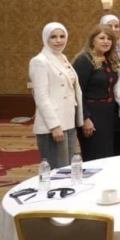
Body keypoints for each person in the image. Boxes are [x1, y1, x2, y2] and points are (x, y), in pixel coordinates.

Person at [30, 22, 83, 168]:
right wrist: (54, 126)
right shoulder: (39, 61)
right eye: (53, 37)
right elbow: (41, 96)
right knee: (56, 170)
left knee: (68, 167)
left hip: (68, 121)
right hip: (53, 125)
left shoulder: (62, 57)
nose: (58, 40)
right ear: (45, 38)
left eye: (62, 36)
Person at [72, 24, 119, 161]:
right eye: (102, 38)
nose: (106, 41)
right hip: (92, 115)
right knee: (95, 156)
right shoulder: (84, 60)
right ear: (93, 40)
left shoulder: (109, 60)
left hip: (109, 114)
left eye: (109, 39)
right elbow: (77, 92)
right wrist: (85, 119)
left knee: (108, 155)